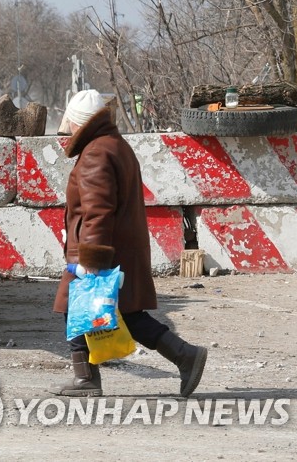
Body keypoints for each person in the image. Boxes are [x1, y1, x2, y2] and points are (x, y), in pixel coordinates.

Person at [52, 89, 208, 397]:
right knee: (124, 314)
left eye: (69, 123)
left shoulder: (96, 153)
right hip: (119, 248)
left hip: (99, 252)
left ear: (78, 123)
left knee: (79, 309)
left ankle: (90, 378)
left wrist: (91, 262)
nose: (65, 129)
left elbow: (97, 212)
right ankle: (182, 356)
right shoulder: (114, 145)